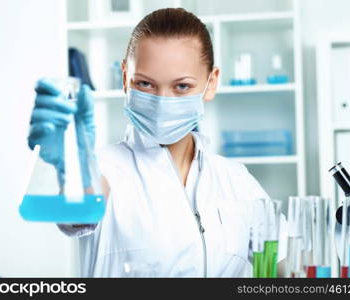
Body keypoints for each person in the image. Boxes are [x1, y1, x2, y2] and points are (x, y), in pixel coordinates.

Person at [28, 7, 283, 277]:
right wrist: (70, 165)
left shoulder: (238, 181)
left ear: (211, 83)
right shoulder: (104, 169)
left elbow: (288, 268)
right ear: (126, 78)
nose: (163, 101)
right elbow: (76, 210)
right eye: (146, 84)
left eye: (182, 86)